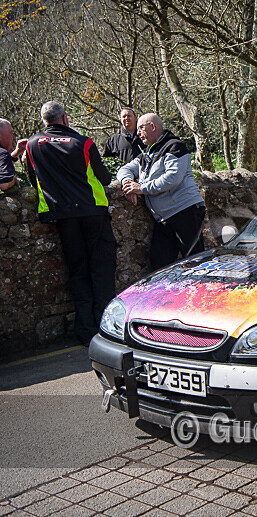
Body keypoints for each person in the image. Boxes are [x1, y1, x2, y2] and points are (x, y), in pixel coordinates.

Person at [25, 101, 117, 346]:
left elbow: (32, 178)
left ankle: (86, 330)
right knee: (102, 269)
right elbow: (105, 177)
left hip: (62, 215)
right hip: (92, 212)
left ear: (44, 120)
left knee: (77, 272)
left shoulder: (32, 145)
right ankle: (106, 329)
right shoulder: (83, 142)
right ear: (65, 118)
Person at [119, 113, 206, 270]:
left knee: (195, 262)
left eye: (140, 128)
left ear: (152, 127)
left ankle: (207, 292)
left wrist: (141, 188)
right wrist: (127, 182)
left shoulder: (174, 146)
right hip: (164, 218)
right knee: (160, 265)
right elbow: (125, 169)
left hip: (184, 211)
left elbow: (173, 178)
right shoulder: (147, 154)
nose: (137, 133)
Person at [0, 118, 27, 192]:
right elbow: (4, 183)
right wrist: (13, 180)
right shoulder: (2, 153)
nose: (14, 138)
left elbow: (2, 165)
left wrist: (17, 152)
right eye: (11, 133)